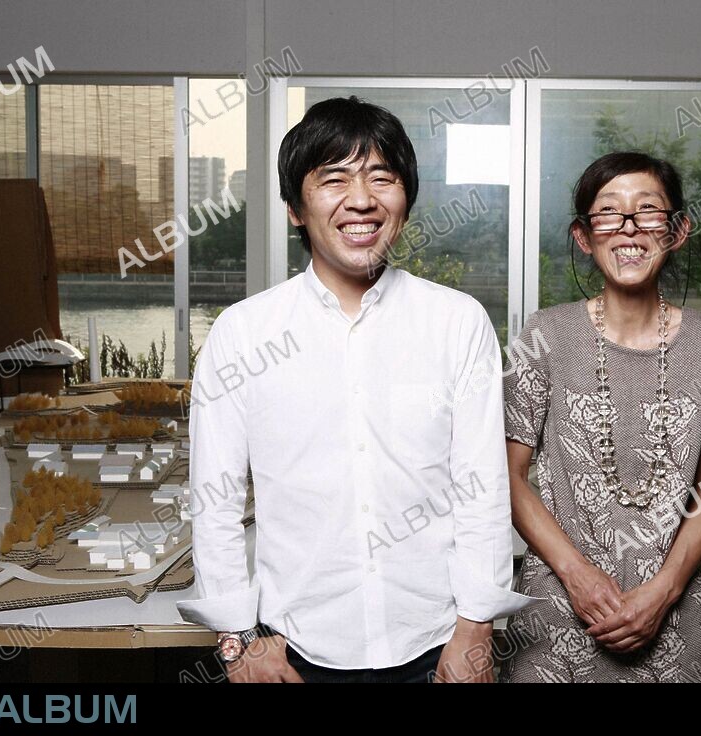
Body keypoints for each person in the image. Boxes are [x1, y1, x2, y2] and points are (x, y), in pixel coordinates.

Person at [176, 96, 535, 683]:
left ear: (405, 201)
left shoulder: (457, 321)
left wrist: (476, 627)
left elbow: (482, 488)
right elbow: (214, 500)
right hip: (293, 651)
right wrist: (238, 642)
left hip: (437, 643)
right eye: (334, 179)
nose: (362, 199)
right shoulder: (243, 334)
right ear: (296, 206)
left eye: (381, 178)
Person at [498, 152, 701, 683]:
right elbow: (508, 477)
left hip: (673, 613)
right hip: (556, 616)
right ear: (583, 236)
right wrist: (577, 578)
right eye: (608, 214)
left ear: (677, 230)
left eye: (648, 212)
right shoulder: (543, 336)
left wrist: (663, 591)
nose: (629, 229)